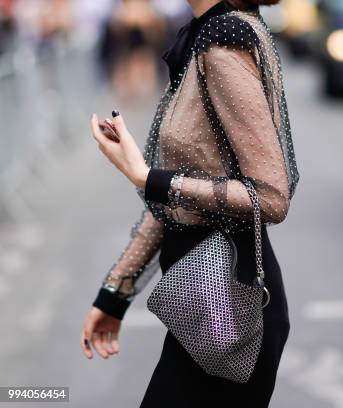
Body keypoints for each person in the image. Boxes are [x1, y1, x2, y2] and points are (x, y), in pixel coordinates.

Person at [79, 0, 300, 406]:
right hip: (200, 304)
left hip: (231, 307)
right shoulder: (208, 30)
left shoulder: (224, 39)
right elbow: (171, 205)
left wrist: (149, 177)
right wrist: (115, 294)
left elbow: (270, 195)